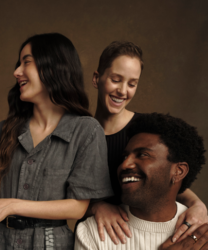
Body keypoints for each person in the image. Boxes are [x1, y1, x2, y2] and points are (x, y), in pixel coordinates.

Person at [0, 33, 114, 249]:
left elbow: (78, 207)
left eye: (26, 62)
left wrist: (11, 205)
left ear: (53, 67)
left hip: (51, 243)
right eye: (18, 63)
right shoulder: (1, 131)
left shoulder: (86, 131)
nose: (16, 72)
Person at [83, 41, 208, 245]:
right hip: (97, 235)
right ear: (97, 79)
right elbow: (60, 191)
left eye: (132, 84)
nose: (123, 91)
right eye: (116, 80)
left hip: (140, 232)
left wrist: (198, 204)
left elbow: (167, 177)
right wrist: (96, 206)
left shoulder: (143, 133)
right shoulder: (78, 132)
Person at [75, 113, 206, 250]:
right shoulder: (93, 232)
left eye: (143, 155)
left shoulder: (202, 231)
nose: (125, 164)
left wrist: (197, 203)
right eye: (125, 156)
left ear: (179, 171)